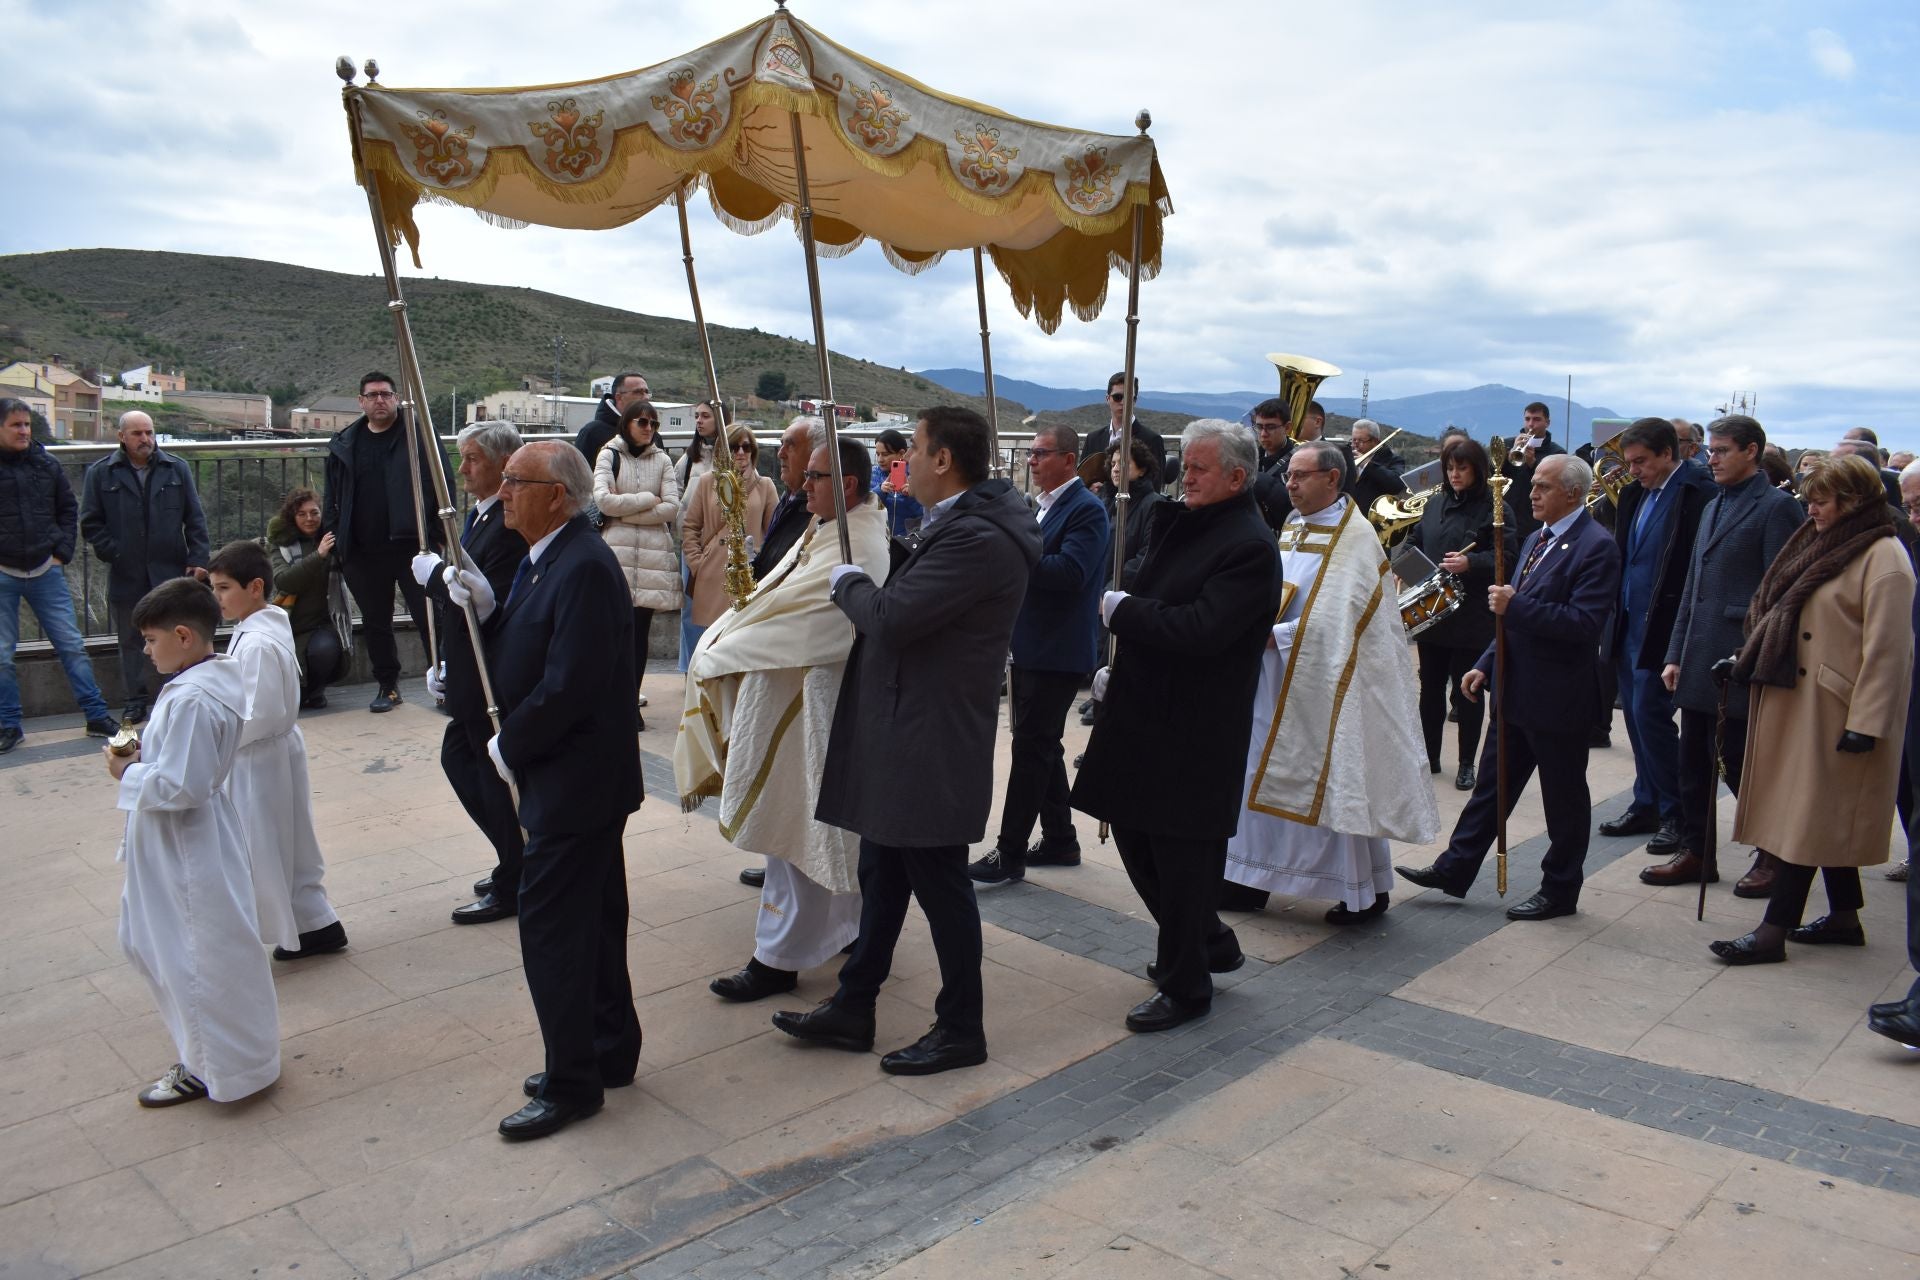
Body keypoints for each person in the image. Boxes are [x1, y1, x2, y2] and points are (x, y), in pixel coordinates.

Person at [772, 406, 1040, 1075]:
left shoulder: (976, 538)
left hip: (931, 734)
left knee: (939, 882)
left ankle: (961, 1029)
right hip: (911, 724)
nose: (905, 463)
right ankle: (854, 1004)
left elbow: (894, 618)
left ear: (944, 460)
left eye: (913, 451)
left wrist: (850, 584)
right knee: (883, 872)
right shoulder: (964, 525)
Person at [444, 440, 642, 1140]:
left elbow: (571, 684)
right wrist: (482, 618)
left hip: (576, 779)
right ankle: (608, 1050)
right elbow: (525, 645)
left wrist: (508, 743)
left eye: (514, 482)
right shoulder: (546, 557)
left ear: (556, 494)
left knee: (555, 931)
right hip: (573, 776)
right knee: (593, 920)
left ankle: (572, 1082)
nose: (501, 492)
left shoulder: (583, 564)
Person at [1072, 420, 1282, 1032]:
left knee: (1182, 857)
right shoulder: (1184, 519)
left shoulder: (1247, 545)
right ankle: (1208, 939)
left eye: (1198, 468)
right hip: (1146, 709)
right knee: (1136, 838)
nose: (1183, 476)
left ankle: (1187, 983)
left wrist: (1127, 615)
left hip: (1195, 728)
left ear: (1237, 478)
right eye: (1184, 464)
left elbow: (1201, 629)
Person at [675, 436, 891, 1001]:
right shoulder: (828, 528)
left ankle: (778, 958)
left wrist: (722, 650)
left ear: (845, 486)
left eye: (814, 476)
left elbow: (816, 622)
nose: (800, 485)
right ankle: (842, 930)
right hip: (796, 701)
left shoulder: (859, 541)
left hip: (814, 709)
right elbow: (781, 599)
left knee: (799, 826)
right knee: (808, 829)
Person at [1710, 454, 1915, 964]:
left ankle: (1771, 933)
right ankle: (1845, 917)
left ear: (1852, 502)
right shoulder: (1827, 540)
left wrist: (1866, 724)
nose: (1811, 509)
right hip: (1803, 704)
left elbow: (1890, 651)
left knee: (1805, 821)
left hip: (1837, 711)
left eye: (1821, 501)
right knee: (1816, 815)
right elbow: (1788, 611)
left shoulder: (1884, 556)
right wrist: (1745, 657)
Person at [1397, 455, 1622, 920]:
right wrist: (1487, 661)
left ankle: (1560, 888)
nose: (1532, 494)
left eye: (1542, 486)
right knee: (1492, 786)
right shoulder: (1540, 538)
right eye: (1533, 485)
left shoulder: (1595, 546)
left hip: (1558, 693)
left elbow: (1583, 624)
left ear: (1574, 494)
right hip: (1514, 686)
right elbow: (1508, 619)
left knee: (1563, 797)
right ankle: (1455, 867)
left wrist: (1515, 608)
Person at [1226, 440, 1438, 924]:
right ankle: (1251, 879)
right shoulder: (1293, 526)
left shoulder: (1356, 540)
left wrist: (1275, 635)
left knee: (1335, 779)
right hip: (1274, 679)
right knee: (1255, 771)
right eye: (1288, 477)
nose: (1291, 485)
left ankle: (1360, 891)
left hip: (1326, 686)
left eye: (1301, 476)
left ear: (1333, 479)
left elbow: (1342, 622)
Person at [105, 576, 279, 1107]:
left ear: (183, 635)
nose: (146, 650)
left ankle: (213, 1067)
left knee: (195, 956)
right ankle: (231, 1058)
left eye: (151, 639)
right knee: (172, 945)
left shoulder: (194, 698)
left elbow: (184, 784)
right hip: (185, 839)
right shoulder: (200, 682)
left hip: (187, 843)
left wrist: (125, 774)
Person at [1658, 415, 1806, 893]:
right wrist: (1675, 651)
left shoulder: (1777, 508)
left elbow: (1783, 596)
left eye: (1721, 450)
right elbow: (1692, 589)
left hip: (1740, 659)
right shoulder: (1713, 505)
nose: (1711, 458)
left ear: (1752, 452)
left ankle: (1773, 855)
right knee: (1693, 767)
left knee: (1746, 767)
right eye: (1710, 451)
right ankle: (1699, 853)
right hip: (1700, 657)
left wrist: (1754, 656)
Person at [971, 422, 1108, 886]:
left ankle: (1009, 852)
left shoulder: (1086, 510)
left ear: (1068, 460)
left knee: (1030, 748)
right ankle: (1060, 839)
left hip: (1058, 650)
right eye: (1030, 453)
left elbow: (1071, 572)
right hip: (1032, 645)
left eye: (1041, 453)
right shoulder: (1044, 507)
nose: (1031, 461)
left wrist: (1013, 551)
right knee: (1042, 745)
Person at [206, 540, 345, 961]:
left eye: (224, 588)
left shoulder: (258, 643)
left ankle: (295, 927)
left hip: (260, 756)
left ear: (255, 587)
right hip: (270, 752)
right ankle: (311, 923)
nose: (217, 598)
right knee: (286, 842)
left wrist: (216, 741)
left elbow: (259, 712)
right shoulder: (261, 626)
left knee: (265, 844)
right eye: (213, 588)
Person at [417, 422, 528, 926]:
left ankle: (517, 873)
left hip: (491, 676)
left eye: (472, 459)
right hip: (466, 667)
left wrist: (440, 578)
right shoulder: (480, 516)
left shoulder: (506, 525)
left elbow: (490, 603)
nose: (462, 469)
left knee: (484, 771)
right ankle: (514, 861)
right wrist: (442, 661)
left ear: (503, 465)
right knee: (464, 761)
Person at [1595, 419, 1713, 872]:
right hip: (1627, 622)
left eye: (1641, 461)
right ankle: (1646, 801)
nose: (1634, 470)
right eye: (1629, 462)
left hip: (1663, 627)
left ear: (1669, 453)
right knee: (1638, 721)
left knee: (1652, 716)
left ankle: (1675, 813)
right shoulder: (1633, 494)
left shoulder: (1696, 493)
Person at [321, 372, 442, 714]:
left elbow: (440, 482)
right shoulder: (346, 442)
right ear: (360, 401)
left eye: (386, 394)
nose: (379, 400)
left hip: (412, 548)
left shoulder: (418, 436)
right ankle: (388, 687)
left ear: (396, 398)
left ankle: (446, 684)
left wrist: (434, 535)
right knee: (376, 622)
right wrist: (337, 534)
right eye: (372, 395)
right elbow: (333, 493)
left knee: (430, 618)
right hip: (362, 550)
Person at [0, 397, 116, 752]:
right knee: (2, 654)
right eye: (15, 425)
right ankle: (8, 724)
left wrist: (60, 553)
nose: (23, 431)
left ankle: (96, 716)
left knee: (72, 646)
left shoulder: (46, 464)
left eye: (26, 425)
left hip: (45, 570)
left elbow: (68, 510)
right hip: (3, 573)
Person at [80, 410, 210, 723]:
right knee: (130, 639)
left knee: (178, 635)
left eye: (149, 433)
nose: (145, 440)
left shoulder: (175, 469)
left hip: (170, 573)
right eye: (137, 434)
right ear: (121, 437)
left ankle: (177, 694)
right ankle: (135, 701)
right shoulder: (101, 474)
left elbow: (195, 518)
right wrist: (114, 552)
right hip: (127, 573)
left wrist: (198, 559)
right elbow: (90, 523)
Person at [1402, 436, 1515, 791]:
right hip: (1433, 613)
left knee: (1468, 692)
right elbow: (1414, 540)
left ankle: (1468, 763)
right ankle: (1430, 756)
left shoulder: (1496, 506)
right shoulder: (1435, 503)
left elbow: (1508, 558)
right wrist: (1404, 562)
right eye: (1450, 468)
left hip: (1471, 616)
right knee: (1429, 689)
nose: (1454, 474)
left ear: (1478, 470)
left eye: (1461, 468)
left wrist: (1471, 562)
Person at [594, 398, 682, 726]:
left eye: (654, 424)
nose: (649, 429)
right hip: (616, 555)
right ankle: (611, 700)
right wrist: (647, 501)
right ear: (627, 423)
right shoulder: (609, 454)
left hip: (652, 559)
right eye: (642, 422)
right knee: (613, 633)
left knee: (639, 634)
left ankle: (630, 702)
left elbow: (672, 507)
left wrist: (626, 511)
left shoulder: (662, 460)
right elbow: (602, 501)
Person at [681, 425, 777, 666]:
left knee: (743, 648)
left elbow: (775, 534)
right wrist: (697, 564)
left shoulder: (765, 485)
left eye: (747, 447)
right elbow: (690, 527)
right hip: (713, 573)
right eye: (735, 447)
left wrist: (762, 564)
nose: (741, 452)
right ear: (725, 450)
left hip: (748, 575)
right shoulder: (706, 482)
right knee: (711, 647)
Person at [265, 488, 351, 709]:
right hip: (287, 624)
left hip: (321, 625)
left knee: (323, 650)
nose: (309, 519)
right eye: (302, 514)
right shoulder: (281, 544)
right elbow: (284, 581)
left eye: (314, 512)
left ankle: (314, 690)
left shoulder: (334, 540)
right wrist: (319, 555)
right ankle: (298, 692)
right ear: (293, 517)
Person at [752, 418, 820, 581]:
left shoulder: (818, 512)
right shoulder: (788, 497)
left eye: (791, 445)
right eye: (781, 444)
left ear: (816, 454)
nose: (780, 453)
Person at [1080, 372, 1167, 493]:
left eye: (1129, 397)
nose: (1123, 402)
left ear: (1135, 400)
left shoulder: (1152, 440)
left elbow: (1154, 487)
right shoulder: (1093, 438)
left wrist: (1106, 491)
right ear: (1107, 399)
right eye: (1117, 397)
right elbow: (1082, 480)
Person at [1499, 401, 1565, 540]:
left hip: (1535, 522)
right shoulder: (1507, 444)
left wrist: (1533, 464)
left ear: (1547, 423)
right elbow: (1493, 472)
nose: (1530, 424)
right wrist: (1508, 455)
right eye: (1527, 419)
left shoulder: (1557, 453)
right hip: (1506, 517)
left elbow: (1556, 484)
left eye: (1536, 419)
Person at [573, 371, 649, 466]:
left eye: (646, 392)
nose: (645, 397)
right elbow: (580, 475)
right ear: (619, 397)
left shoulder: (649, 432)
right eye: (638, 392)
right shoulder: (592, 433)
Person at [1249, 397, 1296, 532]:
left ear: (1287, 428)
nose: (1263, 434)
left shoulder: (1297, 463)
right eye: (1259, 427)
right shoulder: (1251, 458)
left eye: (1270, 427)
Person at [1345, 418, 1407, 514]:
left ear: (1375, 441)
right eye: (1353, 440)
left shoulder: (1393, 460)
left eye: (1360, 441)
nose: (1355, 445)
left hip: (1372, 517)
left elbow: (1396, 484)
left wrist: (1368, 464)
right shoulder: (1348, 457)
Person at [872, 427, 924, 537]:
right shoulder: (872, 474)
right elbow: (866, 507)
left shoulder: (916, 475)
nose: (880, 459)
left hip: (907, 541)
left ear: (901, 453)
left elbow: (924, 513)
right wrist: (880, 491)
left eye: (885, 454)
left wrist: (911, 496)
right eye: (877, 454)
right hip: (879, 538)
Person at [673, 398, 723, 495]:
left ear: (720, 419)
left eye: (705, 416)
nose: (699, 421)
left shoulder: (736, 453)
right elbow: (675, 491)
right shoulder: (689, 457)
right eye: (696, 416)